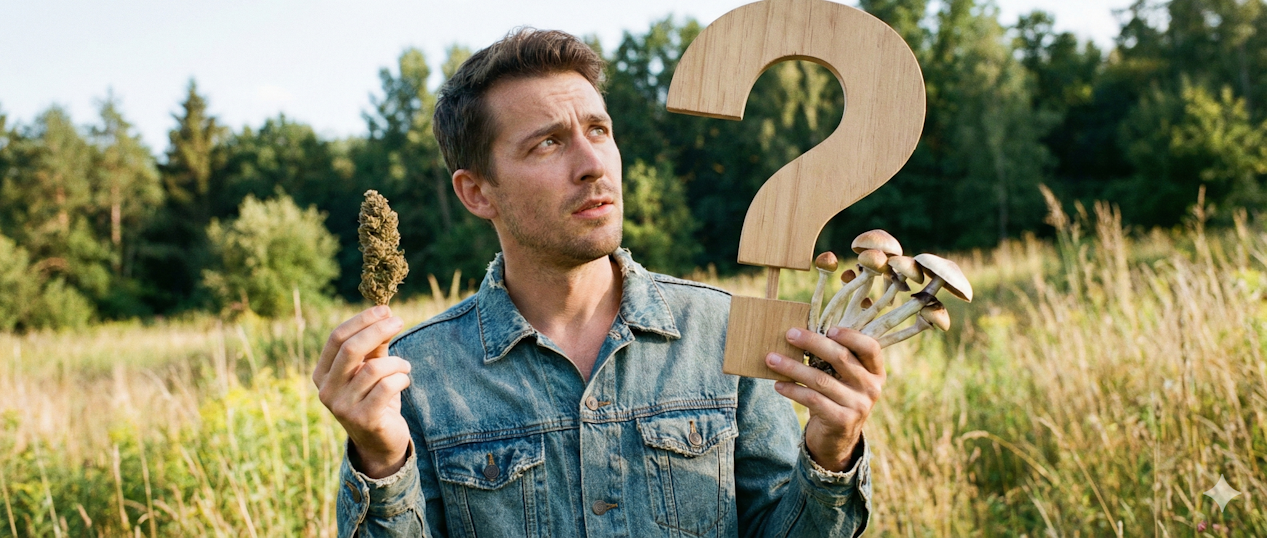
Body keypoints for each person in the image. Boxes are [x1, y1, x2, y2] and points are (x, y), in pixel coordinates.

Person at [312, 28, 886, 538]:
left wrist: (831, 455)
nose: (593, 163)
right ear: (475, 192)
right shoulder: (416, 375)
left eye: (598, 129)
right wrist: (382, 462)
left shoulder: (725, 332)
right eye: (548, 142)